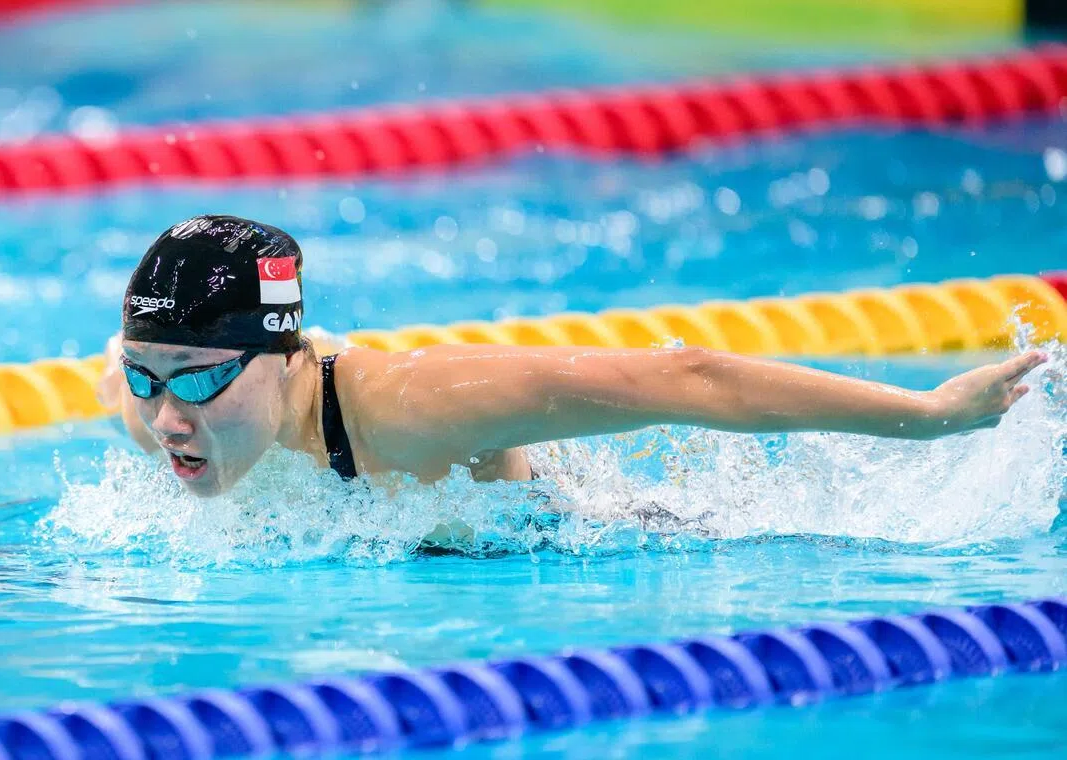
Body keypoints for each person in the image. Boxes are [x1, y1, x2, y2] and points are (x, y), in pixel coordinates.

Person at [97, 214, 1047, 497]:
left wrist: (930, 418)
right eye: (149, 376)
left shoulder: (411, 407)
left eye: (201, 377)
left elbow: (678, 375)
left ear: (283, 353)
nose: (168, 415)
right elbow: (140, 369)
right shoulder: (145, 402)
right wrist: (149, 376)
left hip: (557, 542)